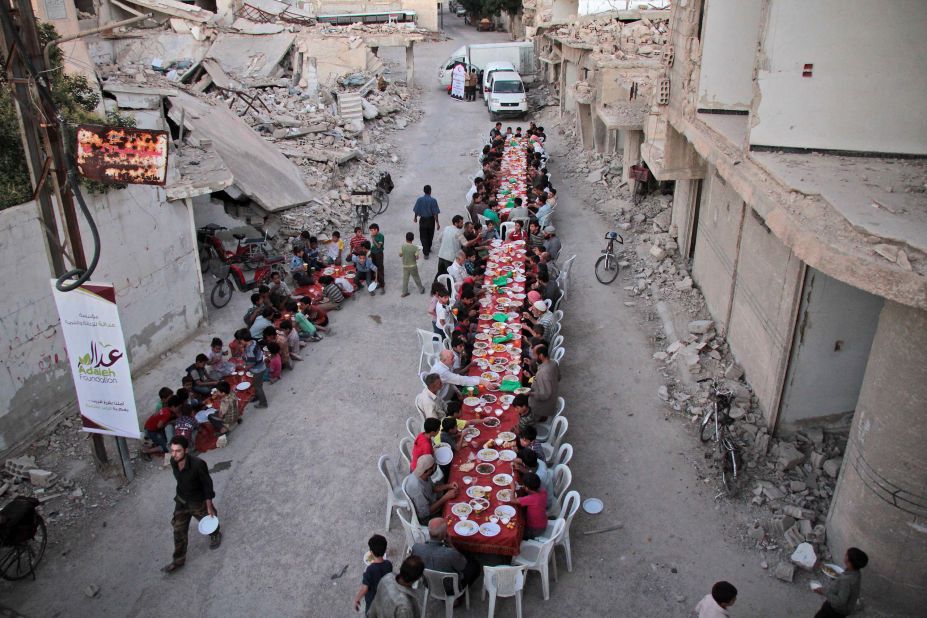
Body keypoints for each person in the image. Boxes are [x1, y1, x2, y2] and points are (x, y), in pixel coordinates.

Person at [162, 436, 221, 573]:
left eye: (178, 451)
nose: (174, 454)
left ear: (186, 450)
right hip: (182, 501)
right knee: (178, 530)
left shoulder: (198, 464)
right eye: (172, 451)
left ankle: (215, 534)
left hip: (197, 501)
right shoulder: (173, 461)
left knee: (208, 521)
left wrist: (209, 505)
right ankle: (178, 560)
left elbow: (207, 485)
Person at [411, 519, 481, 595]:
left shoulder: (416, 547)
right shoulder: (450, 553)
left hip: (428, 584)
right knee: (475, 565)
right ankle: (459, 596)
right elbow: (463, 565)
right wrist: (451, 545)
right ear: (444, 535)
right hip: (450, 589)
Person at [813, 548, 868, 617]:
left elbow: (840, 602)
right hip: (843, 610)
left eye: (846, 555)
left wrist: (823, 591)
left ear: (849, 561)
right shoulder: (856, 573)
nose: (844, 556)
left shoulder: (846, 580)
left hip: (836, 611)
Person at [404, 454, 458, 523]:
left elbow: (433, 488)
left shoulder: (424, 474)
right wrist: (445, 497)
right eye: (434, 466)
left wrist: (449, 486)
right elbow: (425, 512)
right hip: (426, 518)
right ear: (427, 470)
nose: (436, 467)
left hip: (433, 502)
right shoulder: (418, 488)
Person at [354, 534, 393, 614]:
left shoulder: (369, 570)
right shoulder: (388, 564)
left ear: (371, 552)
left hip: (372, 602)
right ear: (385, 551)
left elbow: (365, 588)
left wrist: (357, 599)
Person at [528, 345, 559, 422]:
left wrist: (530, 393)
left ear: (541, 356)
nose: (534, 357)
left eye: (535, 354)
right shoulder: (554, 363)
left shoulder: (542, 372)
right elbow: (559, 377)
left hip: (541, 410)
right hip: (552, 399)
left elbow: (544, 395)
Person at [239, 331, 268, 408]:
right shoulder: (254, 342)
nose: (240, 342)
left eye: (240, 341)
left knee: (258, 387)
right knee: (258, 384)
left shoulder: (249, 350)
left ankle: (263, 403)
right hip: (261, 366)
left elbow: (252, 363)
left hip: (257, 370)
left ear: (244, 339)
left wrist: (245, 368)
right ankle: (257, 396)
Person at [514, 472, 547, 539]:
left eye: (524, 485)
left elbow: (512, 500)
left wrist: (512, 488)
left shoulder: (531, 499)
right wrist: (525, 488)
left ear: (527, 488)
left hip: (534, 530)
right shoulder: (543, 492)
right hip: (543, 523)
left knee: (517, 534)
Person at [412, 185, 441, 259]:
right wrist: (437, 223)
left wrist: (415, 218)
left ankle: (426, 253)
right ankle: (428, 248)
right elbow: (435, 213)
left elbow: (416, 210)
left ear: (424, 191)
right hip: (431, 220)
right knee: (430, 235)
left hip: (423, 220)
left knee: (423, 236)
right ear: (430, 191)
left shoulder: (419, 200)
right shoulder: (433, 200)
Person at [399, 232, 425, 297]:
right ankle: (421, 289)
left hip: (405, 266)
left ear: (406, 238)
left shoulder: (403, 246)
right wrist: (418, 251)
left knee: (405, 279)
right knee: (416, 277)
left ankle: (404, 292)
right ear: (413, 239)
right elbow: (417, 257)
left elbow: (400, 254)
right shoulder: (415, 248)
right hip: (413, 266)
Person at [368, 224, 386, 295]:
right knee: (375, 268)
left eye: (372, 230)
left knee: (380, 269)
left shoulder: (380, 236)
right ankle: (378, 282)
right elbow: (373, 246)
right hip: (373, 253)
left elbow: (378, 246)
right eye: (370, 231)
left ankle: (382, 286)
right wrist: (370, 253)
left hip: (379, 254)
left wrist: (373, 239)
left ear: (376, 230)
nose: (371, 232)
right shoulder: (374, 235)